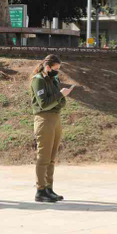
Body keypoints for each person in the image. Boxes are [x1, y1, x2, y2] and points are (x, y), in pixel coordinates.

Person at [29, 54, 75, 203]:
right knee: (43, 157)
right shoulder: (38, 80)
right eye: (56, 69)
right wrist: (59, 95)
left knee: (52, 157)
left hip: (55, 118)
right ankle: (40, 190)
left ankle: (49, 188)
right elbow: (44, 104)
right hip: (44, 119)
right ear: (47, 67)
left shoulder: (54, 79)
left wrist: (60, 97)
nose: (57, 72)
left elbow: (61, 104)